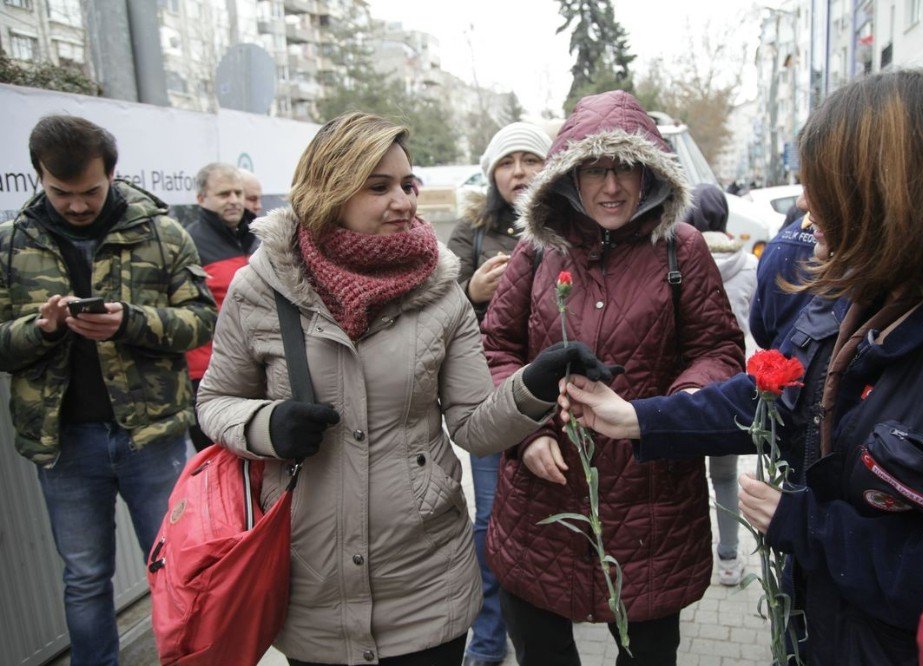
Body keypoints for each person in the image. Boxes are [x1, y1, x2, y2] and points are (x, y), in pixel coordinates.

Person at [559, 69, 923, 664]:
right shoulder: (861, 288)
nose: (804, 210)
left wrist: (806, 525)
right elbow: (770, 392)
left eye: (820, 188)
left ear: (889, 197)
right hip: (823, 626)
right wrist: (637, 418)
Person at [195, 112, 616, 666]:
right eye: (379, 187)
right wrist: (265, 426)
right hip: (312, 579)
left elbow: (473, 426)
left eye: (407, 184)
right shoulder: (261, 287)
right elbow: (213, 402)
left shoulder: (440, 292)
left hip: (425, 578)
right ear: (329, 191)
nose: (404, 201)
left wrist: (535, 382)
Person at [480, 90, 745, 666]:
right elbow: (495, 348)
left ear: (651, 173)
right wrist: (528, 433)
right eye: (594, 169)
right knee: (543, 649)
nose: (611, 187)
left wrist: (669, 413)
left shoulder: (683, 248)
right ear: (567, 176)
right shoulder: (536, 251)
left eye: (627, 168)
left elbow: (718, 348)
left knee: (648, 651)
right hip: (542, 499)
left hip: (651, 501)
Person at [0, 115, 217, 665]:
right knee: (86, 577)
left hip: (154, 437)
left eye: (91, 191)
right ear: (38, 178)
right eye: (61, 192)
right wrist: (42, 329)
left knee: (177, 570)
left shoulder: (161, 232)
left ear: (113, 175)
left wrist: (130, 323)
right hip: (64, 441)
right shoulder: (10, 245)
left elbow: (201, 321)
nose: (77, 205)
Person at [446, 121, 552, 666]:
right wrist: (472, 291)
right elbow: (436, 309)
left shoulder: (566, 225)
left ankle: (551, 609)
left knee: (558, 508)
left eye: (529, 159)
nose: (518, 171)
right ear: (492, 174)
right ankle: (489, 637)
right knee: (489, 519)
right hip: (491, 393)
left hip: (559, 394)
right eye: (506, 162)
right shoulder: (470, 231)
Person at [685, 183, 758, 586]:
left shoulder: (677, 260)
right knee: (725, 476)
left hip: (687, 383)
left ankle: (683, 558)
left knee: (685, 474)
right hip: (734, 381)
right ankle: (729, 560)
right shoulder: (748, 265)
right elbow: (761, 323)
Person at [185, 162, 259, 450]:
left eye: (238, 193)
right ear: (201, 199)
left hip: (256, 368)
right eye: (224, 194)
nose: (234, 201)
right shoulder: (189, 244)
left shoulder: (256, 236)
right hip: (209, 376)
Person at [749, 206, 817, 350]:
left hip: (782, 361)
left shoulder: (776, 244)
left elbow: (757, 327)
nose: (802, 202)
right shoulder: (842, 247)